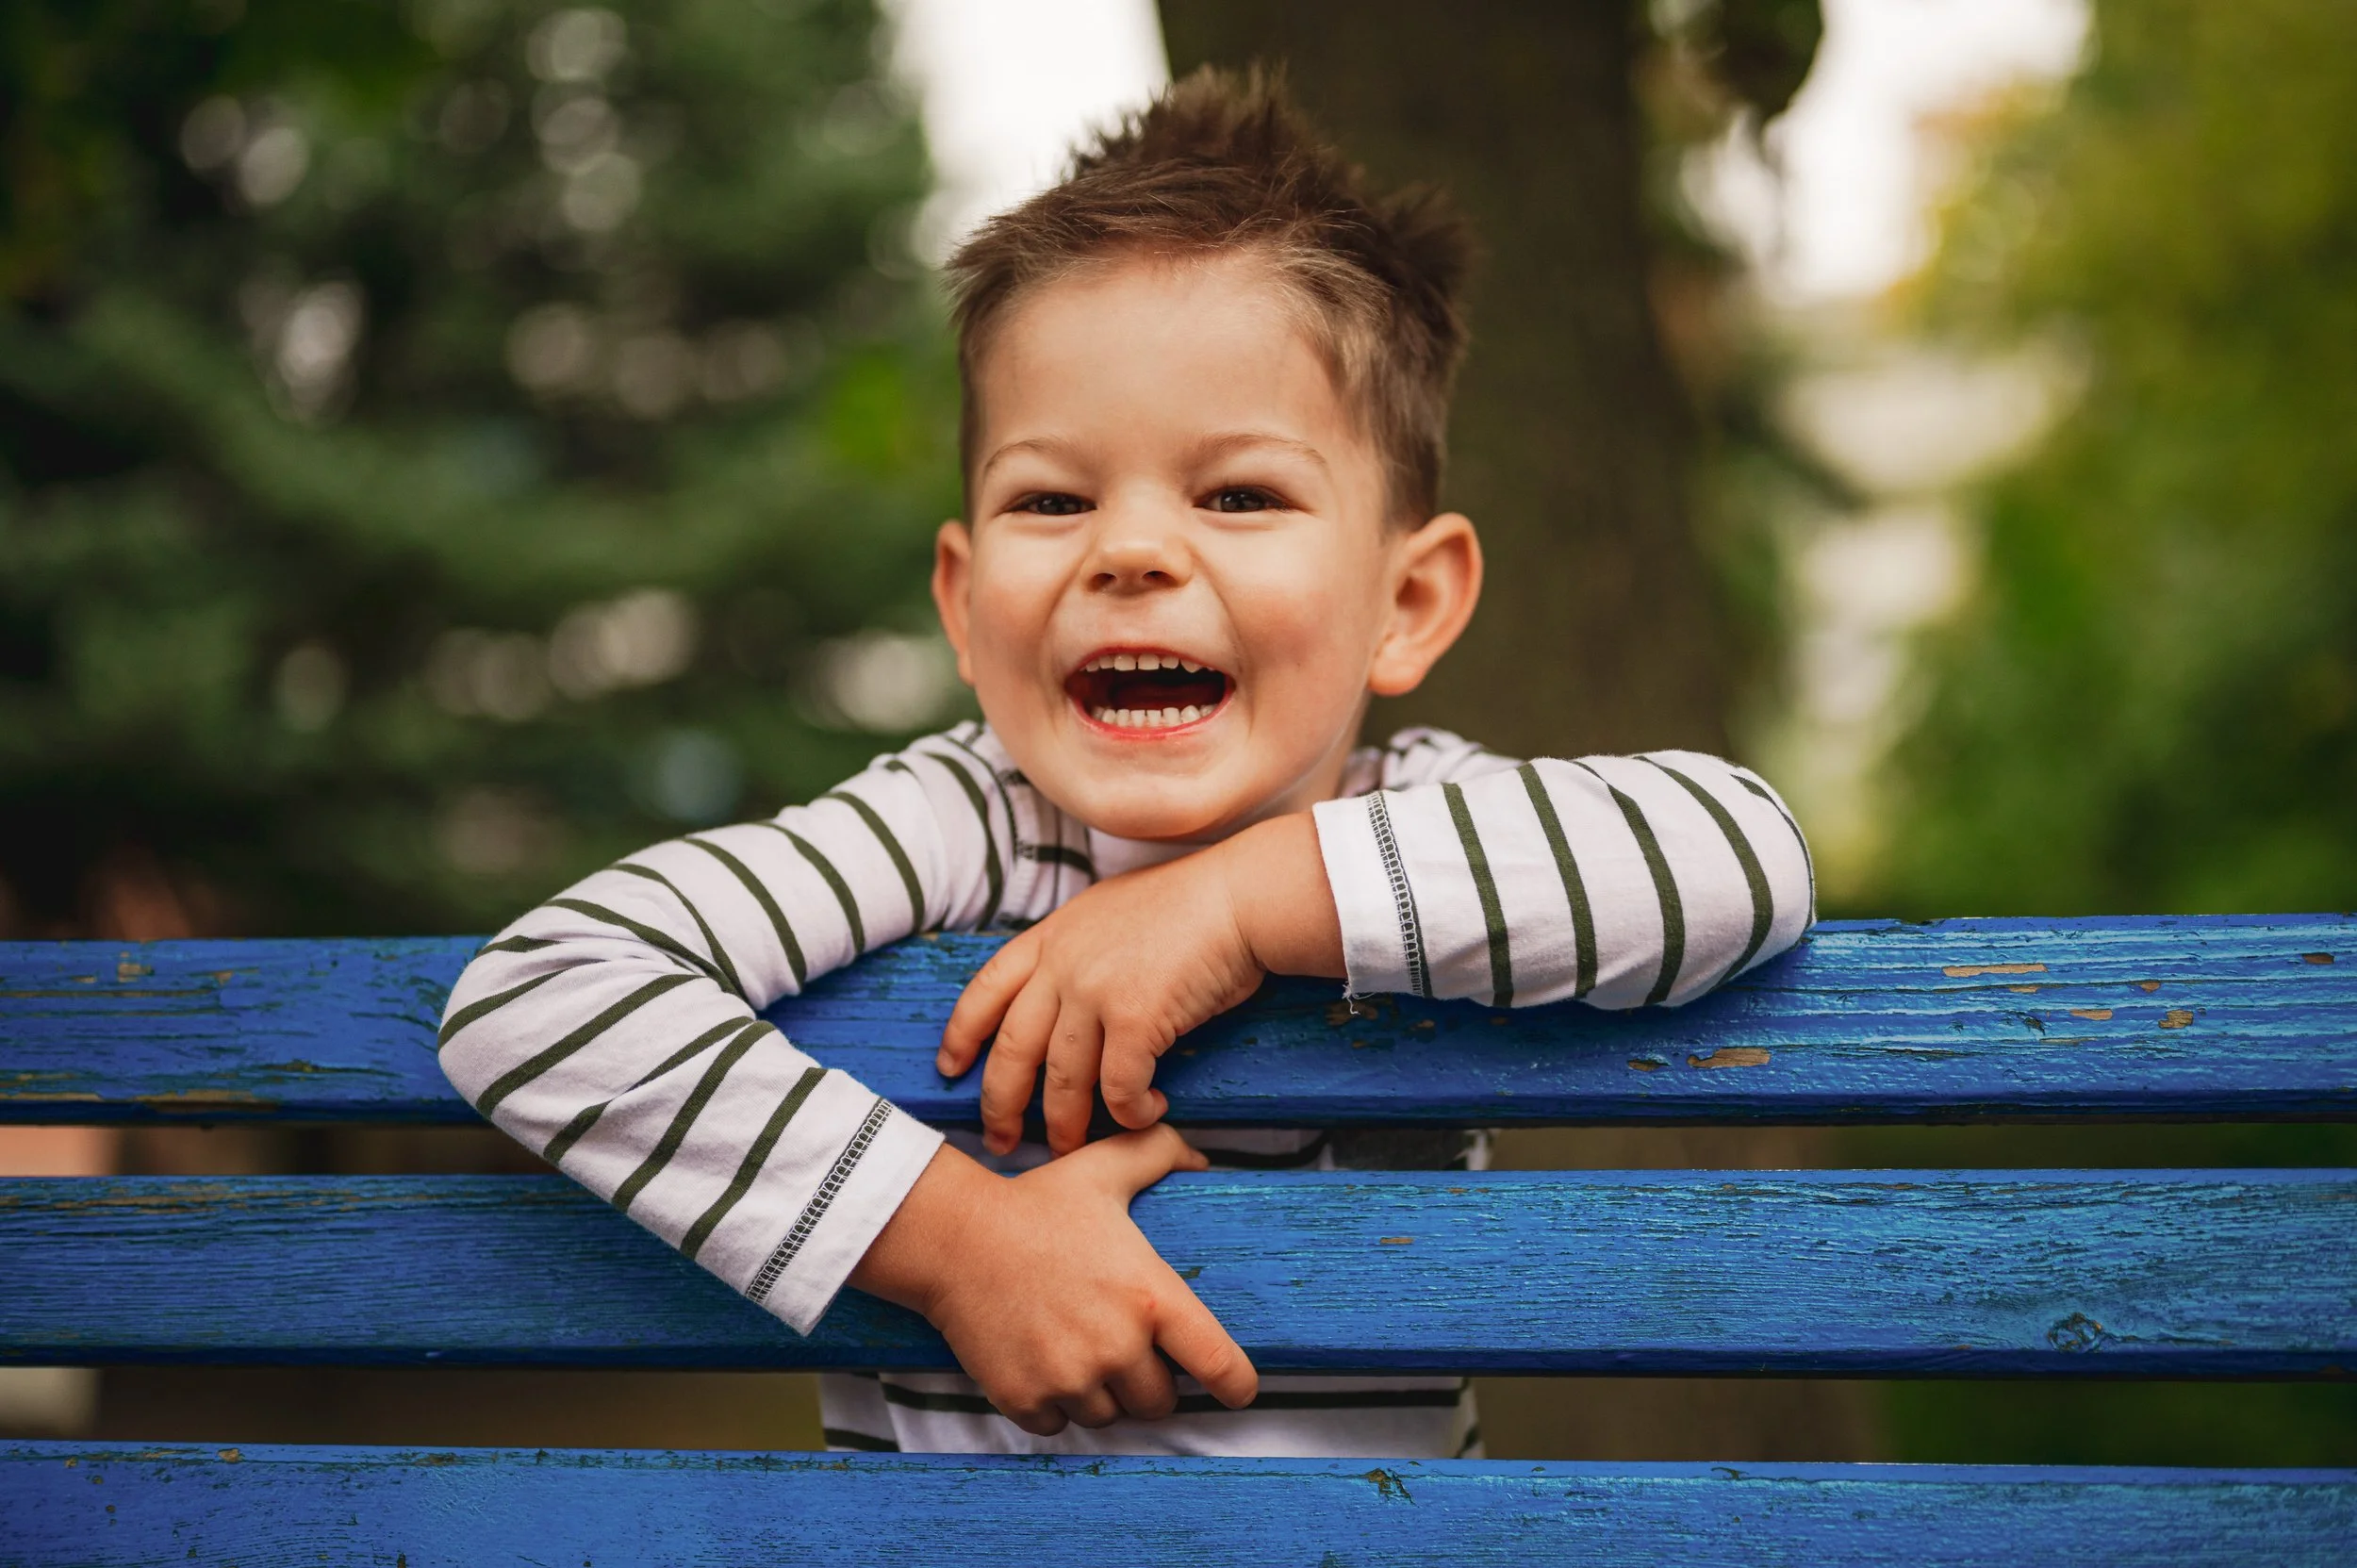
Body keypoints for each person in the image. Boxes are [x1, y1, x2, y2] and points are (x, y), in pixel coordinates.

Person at [437, 66, 1813, 1460]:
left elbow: (1745, 853)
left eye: (1239, 493)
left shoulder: (1427, 819)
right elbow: (544, 991)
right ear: (966, 605)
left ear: (1408, 602)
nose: (1132, 549)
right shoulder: (958, 826)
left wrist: (1235, 904)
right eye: (1053, 497)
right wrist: (961, 1244)